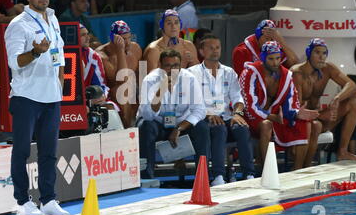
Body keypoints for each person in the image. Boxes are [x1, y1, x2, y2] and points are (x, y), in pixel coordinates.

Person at [4, 0, 70, 215]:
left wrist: (59, 88)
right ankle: (22, 202)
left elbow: (60, 56)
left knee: (49, 151)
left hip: (51, 97)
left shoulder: (52, 19)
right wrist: (34, 52)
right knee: (21, 150)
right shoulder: (18, 25)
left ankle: (48, 200)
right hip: (26, 97)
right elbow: (14, 62)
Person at [239, 41, 319, 170]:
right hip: (251, 117)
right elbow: (248, 105)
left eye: (278, 58)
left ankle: (298, 170)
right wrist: (271, 117)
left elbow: (291, 101)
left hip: (276, 115)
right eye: (271, 59)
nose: (276, 63)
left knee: (305, 123)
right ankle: (267, 170)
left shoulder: (286, 75)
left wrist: (297, 113)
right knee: (266, 125)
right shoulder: (249, 73)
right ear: (263, 57)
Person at [188, 35, 255, 185]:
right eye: (211, 48)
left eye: (217, 47)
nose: (215, 51)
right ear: (201, 51)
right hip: (204, 119)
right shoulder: (192, 73)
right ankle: (218, 175)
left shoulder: (229, 72)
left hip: (226, 117)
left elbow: (238, 98)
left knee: (242, 128)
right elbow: (191, 102)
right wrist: (208, 114)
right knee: (219, 129)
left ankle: (249, 174)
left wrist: (238, 114)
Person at [137, 49, 210, 179]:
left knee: (202, 128)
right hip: (157, 123)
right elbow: (147, 115)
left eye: (176, 65)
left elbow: (200, 110)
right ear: (160, 66)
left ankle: (203, 176)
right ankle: (146, 177)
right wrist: (159, 92)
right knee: (146, 126)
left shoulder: (190, 79)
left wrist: (179, 128)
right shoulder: (150, 80)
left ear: (181, 66)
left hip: (181, 124)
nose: (172, 70)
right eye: (167, 66)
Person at [290, 38, 356, 162]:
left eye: (324, 53)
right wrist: (320, 115)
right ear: (309, 53)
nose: (321, 57)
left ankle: (342, 151)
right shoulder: (297, 72)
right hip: (301, 119)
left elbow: (351, 85)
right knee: (316, 125)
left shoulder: (327, 68)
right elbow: (297, 109)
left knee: (354, 102)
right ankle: (304, 167)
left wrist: (337, 99)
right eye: (317, 53)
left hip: (318, 116)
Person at [95, 20, 142, 128]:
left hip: (133, 93)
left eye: (129, 38)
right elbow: (122, 79)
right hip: (112, 96)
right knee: (122, 90)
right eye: (123, 39)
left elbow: (142, 74)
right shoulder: (102, 55)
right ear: (113, 39)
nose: (128, 42)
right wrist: (120, 51)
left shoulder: (136, 48)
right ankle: (126, 129)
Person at [232, 19, 299, 77]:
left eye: (272, 39)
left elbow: (295, 65)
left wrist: (281, 41)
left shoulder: (275, 47)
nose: (269, 42)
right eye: (267, 38)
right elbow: (244, 78)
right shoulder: (241, 51)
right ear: (257, 38)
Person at [143, 9, 199, 73]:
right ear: (162, 26)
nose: (173, 26)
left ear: (180, 25)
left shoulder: (188, 46)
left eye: (176, 22)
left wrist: (193, 62)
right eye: (169, 23)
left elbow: (198, 75)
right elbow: (152, 80)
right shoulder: (154, 50)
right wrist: (181, 64)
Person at [79, 23, 117, 111]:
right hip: (66, 102)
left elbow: (101, 85)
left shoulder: (93, 56)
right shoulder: (62, 55)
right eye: (83, 35)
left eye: (87, 34)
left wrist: (100, 96)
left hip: (89, 99)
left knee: (110, 107)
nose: (88, 38)